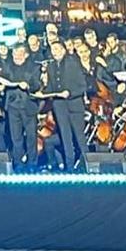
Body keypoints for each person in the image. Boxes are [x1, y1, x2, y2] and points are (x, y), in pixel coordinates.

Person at [42, 39, 90, 171]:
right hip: (59, 106)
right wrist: (42, 91)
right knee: (65, 137)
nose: (55, 52)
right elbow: (51, 88)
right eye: (53, 50)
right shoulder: (51, 67)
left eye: (57, 49)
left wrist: (70, 93)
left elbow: (82, 86)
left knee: (79, 137)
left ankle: (89, 165)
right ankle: (69, 167)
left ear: (63, 50)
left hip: (74, 105)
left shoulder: (73, 63)